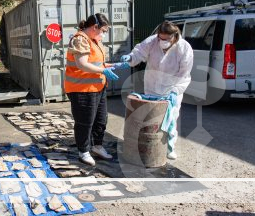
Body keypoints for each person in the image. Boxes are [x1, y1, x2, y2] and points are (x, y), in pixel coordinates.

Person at [117, 21, 194, 159]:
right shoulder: (153, 41)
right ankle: (149, 145)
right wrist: (130, 57)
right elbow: (139, 52)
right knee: (151, 118)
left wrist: (175, 91)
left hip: (172, 89)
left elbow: (184, 73)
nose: (162, 41)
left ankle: (169, 146)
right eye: (160, 38)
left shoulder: (184, 48)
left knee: (170, 119)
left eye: (166, 39)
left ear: (174, 36)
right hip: (152, 87)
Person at [64, 13, 121, 166]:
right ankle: (83, 151)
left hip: (98, 87)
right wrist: (103, 71)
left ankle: (97, 146)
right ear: (95, 27)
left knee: (101, 120)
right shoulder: (80, 39)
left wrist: (109, 65)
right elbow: (82, 64)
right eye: (103, 30)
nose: (104, 33)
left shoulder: (94, 40)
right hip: (82, 88)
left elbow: (95, 63)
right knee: (85, 121)